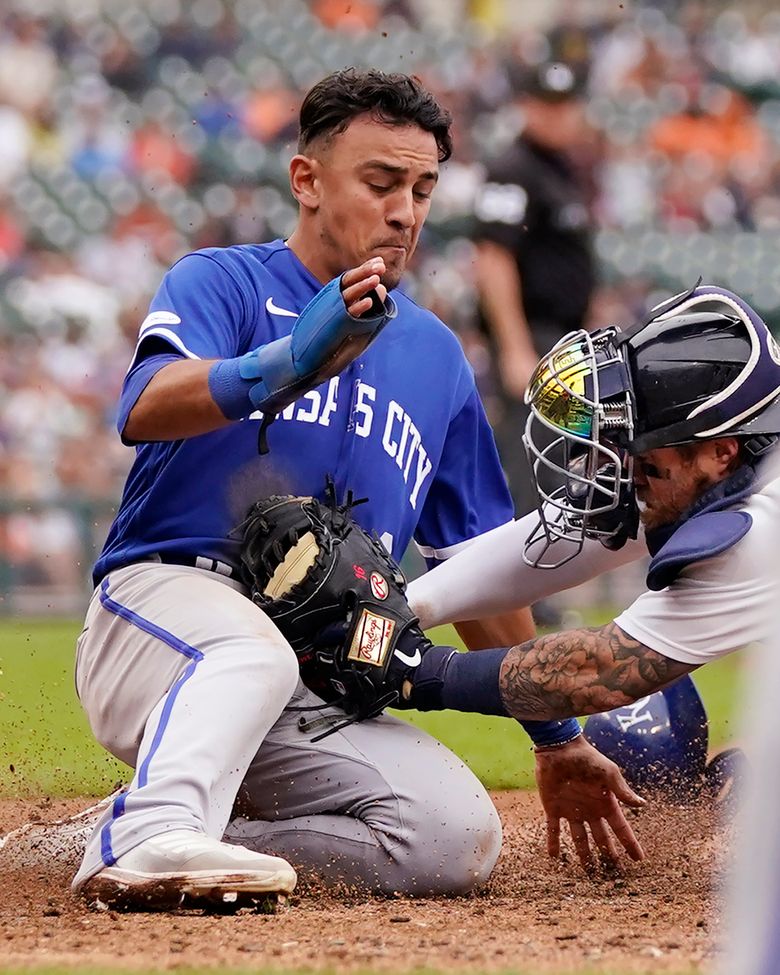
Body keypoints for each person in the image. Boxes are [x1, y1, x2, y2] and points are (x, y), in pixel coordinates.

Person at [57, 67, 641, 909]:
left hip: (313, 672)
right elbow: (144, 406)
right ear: (306, 180)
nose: (405, 209)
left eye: (423, 187)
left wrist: (556, 739)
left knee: (452, 835)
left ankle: (133, 827)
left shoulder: (437, 359)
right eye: (381, 181)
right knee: (245, 650)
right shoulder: (223, 282)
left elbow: (477, 565)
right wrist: (285, 363)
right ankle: (145, 838)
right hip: (163, 613)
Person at [401, 282, 780, 863]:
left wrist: (412, 670)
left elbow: (599, 670)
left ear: (722, 451)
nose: (628, 469)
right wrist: (402, 606)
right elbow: (551, 546)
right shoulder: (705, 476)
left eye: (645, 455)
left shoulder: (759, 528)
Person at [473, 60, 595, 516]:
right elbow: (493, 258)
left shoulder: (560, 170)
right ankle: (521, 586)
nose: (557, 115)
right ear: (526, 106)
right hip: (536, 344)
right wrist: (515, 348)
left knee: (558, 469)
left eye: (565, 106)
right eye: (547, 105)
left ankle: (538, 586)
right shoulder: (514, 168)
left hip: (562, 347)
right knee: (533, 472)